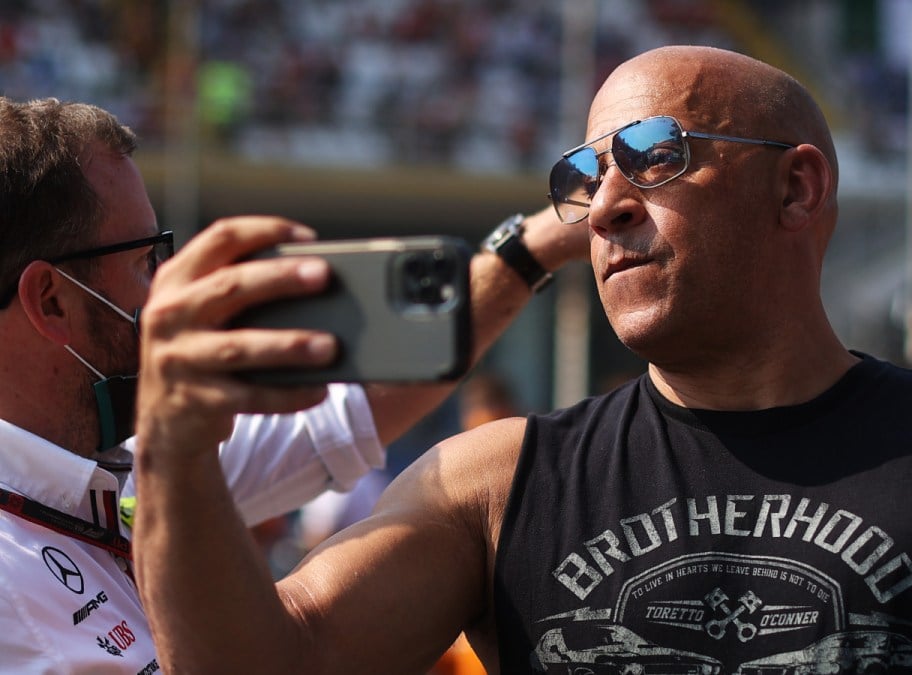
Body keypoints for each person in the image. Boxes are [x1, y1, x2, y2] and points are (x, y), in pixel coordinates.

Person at [132, 46, 912, 674]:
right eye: (584, 174)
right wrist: (175, 444)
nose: (605, 206)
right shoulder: (495, 481)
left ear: (797, 191)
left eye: (658, 155)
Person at [0, 96, 585, 673]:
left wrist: (538, 247)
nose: (164, 290)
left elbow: (352, 412)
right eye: (144, 261)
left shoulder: (123, 464)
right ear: (51, 301)